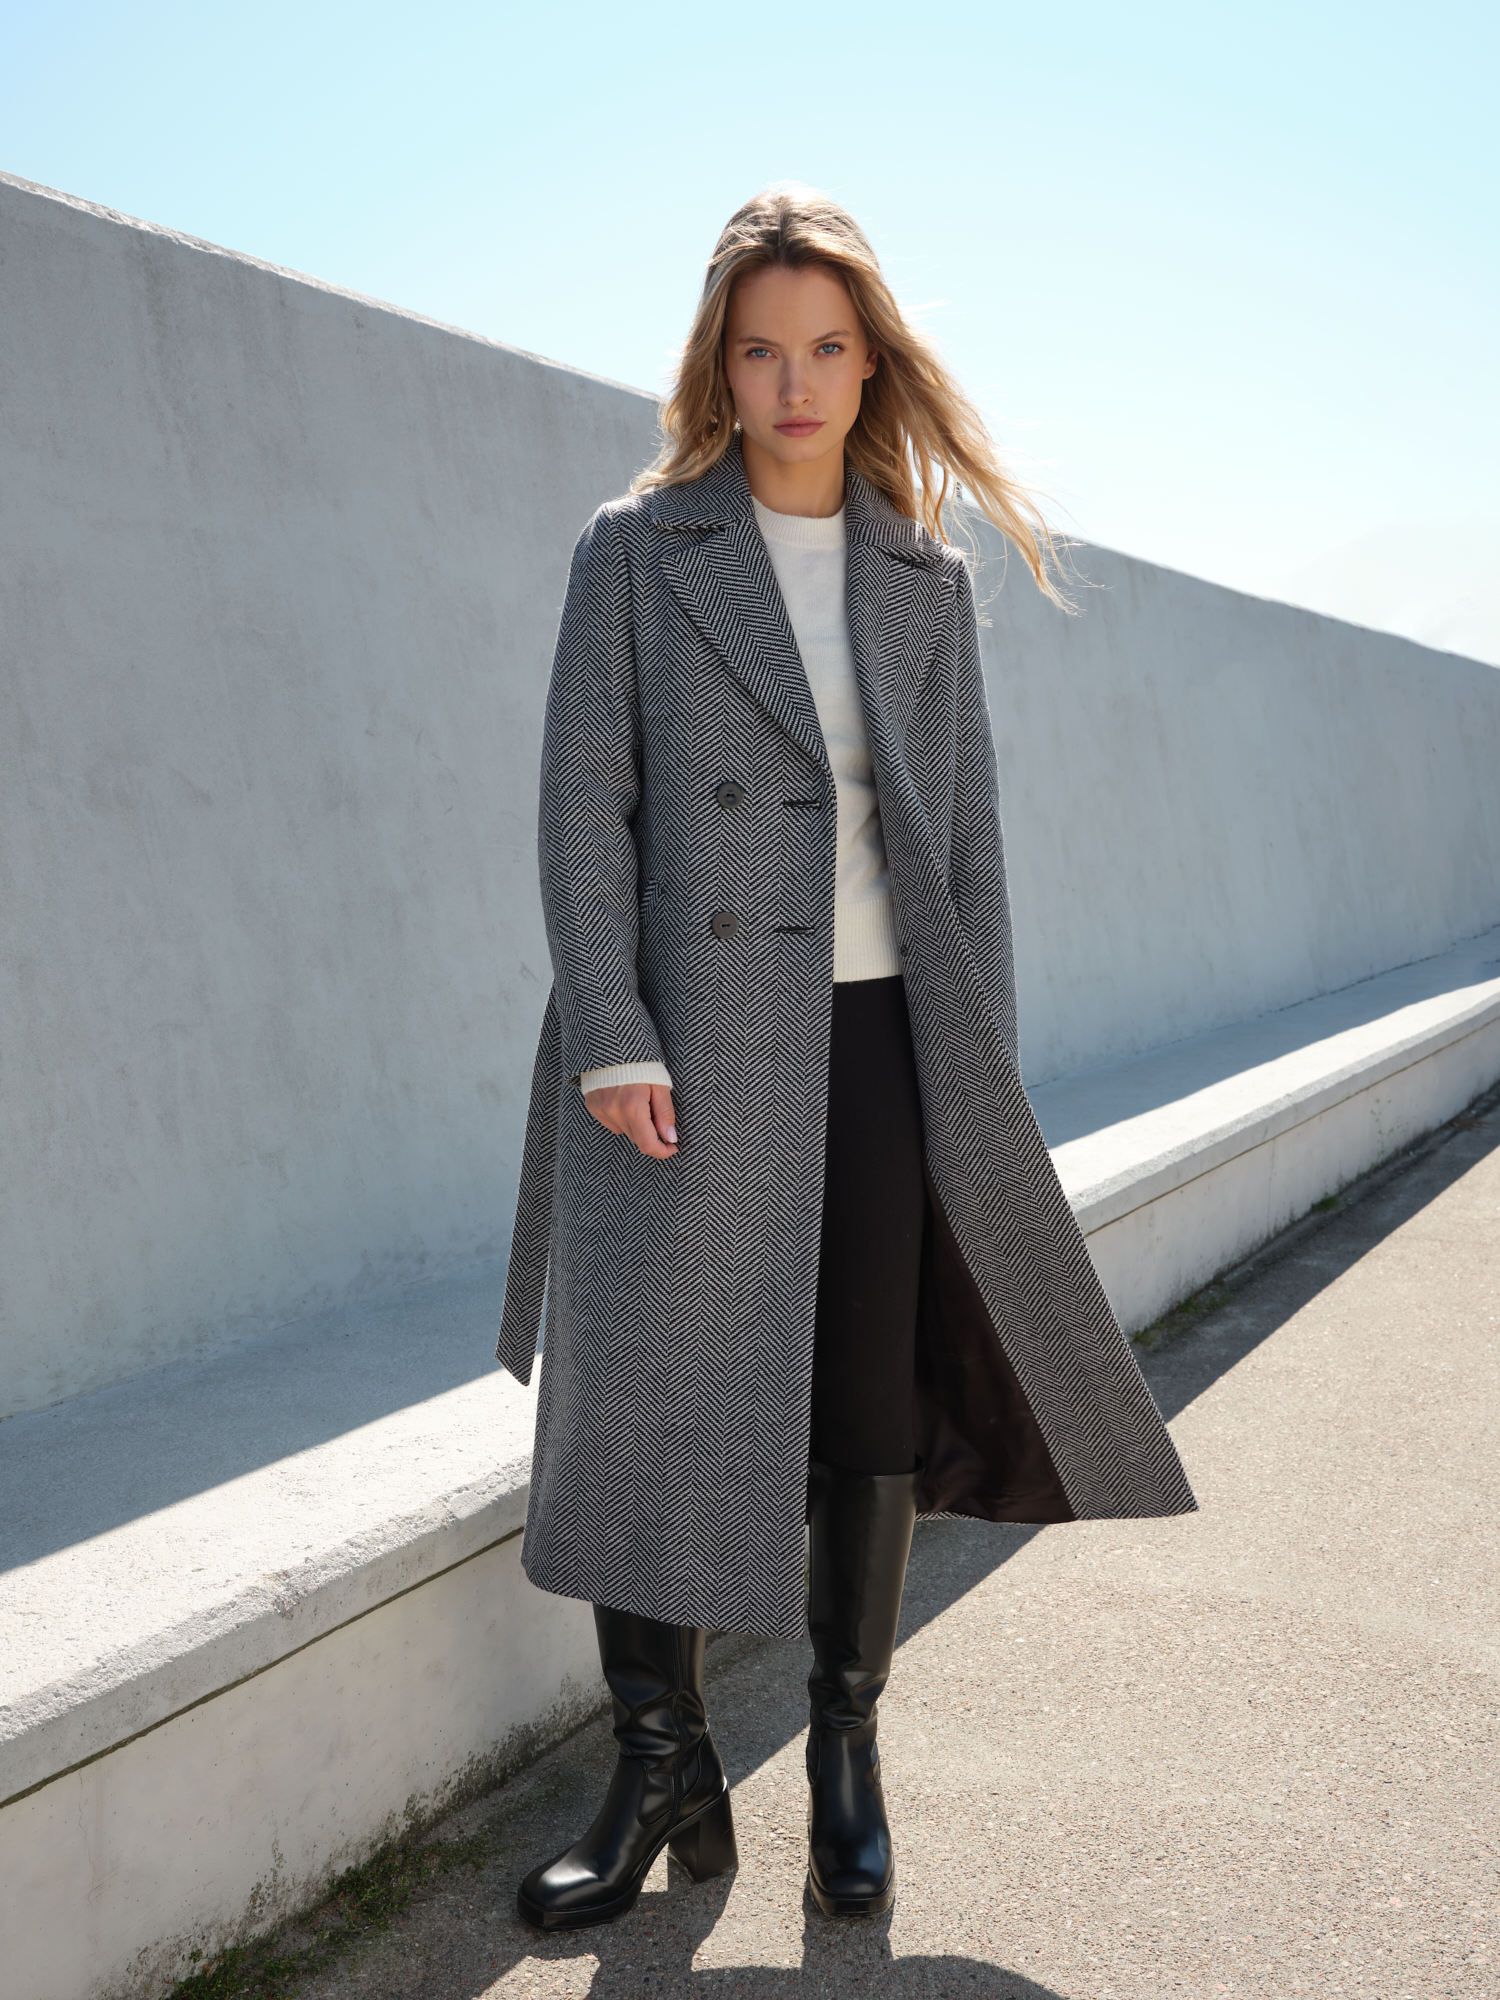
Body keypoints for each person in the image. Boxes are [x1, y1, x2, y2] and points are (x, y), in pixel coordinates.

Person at [497, 185, 1195, 1932]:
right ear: (718, 368)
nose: (794, 384)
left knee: (868, 1400)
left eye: (824, 347)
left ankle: (844, 1759)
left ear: (869, 360)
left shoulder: (923, 579)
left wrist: (980, 1075)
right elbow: (583, 807)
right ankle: (659, 1770)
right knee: (650, 1394)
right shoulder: (636, 552)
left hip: (884, 1033)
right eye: (761, 351)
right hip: (682, 1044)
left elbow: (967, 848)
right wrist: (610, 1031)